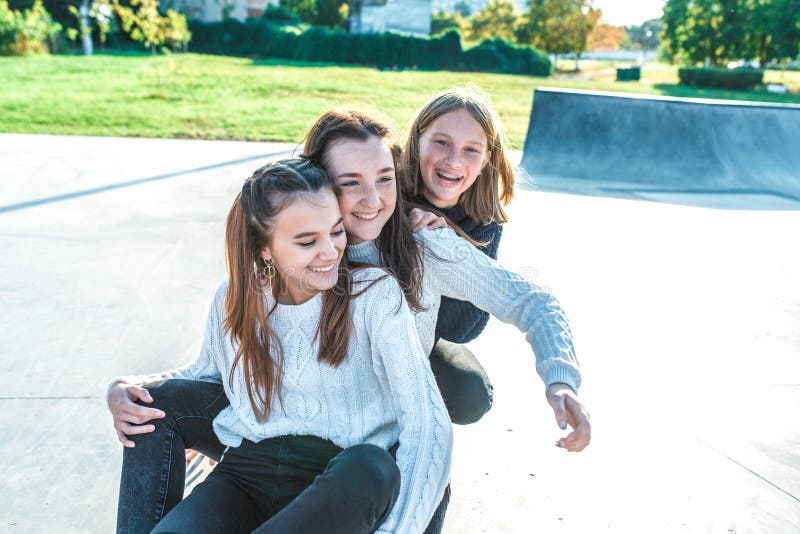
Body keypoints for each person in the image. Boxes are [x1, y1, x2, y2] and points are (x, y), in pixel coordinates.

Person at [108, 158, 452, 533]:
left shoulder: (374, 296)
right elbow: (202, 375)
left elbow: (427, 421)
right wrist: (124, 388)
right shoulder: (235, 298)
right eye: (307, 241)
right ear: (264, 248)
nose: (331, 251)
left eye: (336, 232)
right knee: (149, 405)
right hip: (247, 475)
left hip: (340, 483)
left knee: (372, 466)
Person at [401, 85, 517, 424]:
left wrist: (450, 246)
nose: (453, 160)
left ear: (485, 161)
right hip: (356, 330)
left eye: (471, 150)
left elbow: (462, 330)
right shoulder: (384, 184)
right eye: (441, 142)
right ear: (417, 140)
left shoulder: (483, 222)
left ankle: (428, 442)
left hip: (421, 340)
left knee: (471, 393)